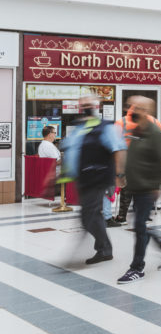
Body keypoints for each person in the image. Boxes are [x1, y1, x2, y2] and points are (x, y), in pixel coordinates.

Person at [60, 95, 126, 265]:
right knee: (88, 216)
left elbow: (118, 149)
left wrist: (119, 174)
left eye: (89, 104)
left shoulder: (105, 127)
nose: (86, 107)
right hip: (83, 178)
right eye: (83, 104)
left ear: (96, 106)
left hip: (98, 176)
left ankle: (104, 249)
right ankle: (104, 248)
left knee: (90, 214)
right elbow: (74, 150)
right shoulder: (80, 127)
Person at [116, 97, 161, 284]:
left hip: (147, 188)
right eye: (132, 106)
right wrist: (122, 175)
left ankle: (136, 268)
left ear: (147, 110)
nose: (133, 110)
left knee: (139, 225)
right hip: (135, 185)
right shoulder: (135, 129)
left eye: (138, 107)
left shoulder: (154, 132)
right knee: (139, 225)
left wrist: (157, 187)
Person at [113, 99, 161, 225]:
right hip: (147, 161)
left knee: (126, 190)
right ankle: (144, 214)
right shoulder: (153, 121)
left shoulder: (122, 122)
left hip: (128, 159)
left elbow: (114, 141)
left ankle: (122, 216)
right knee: (145, 189)